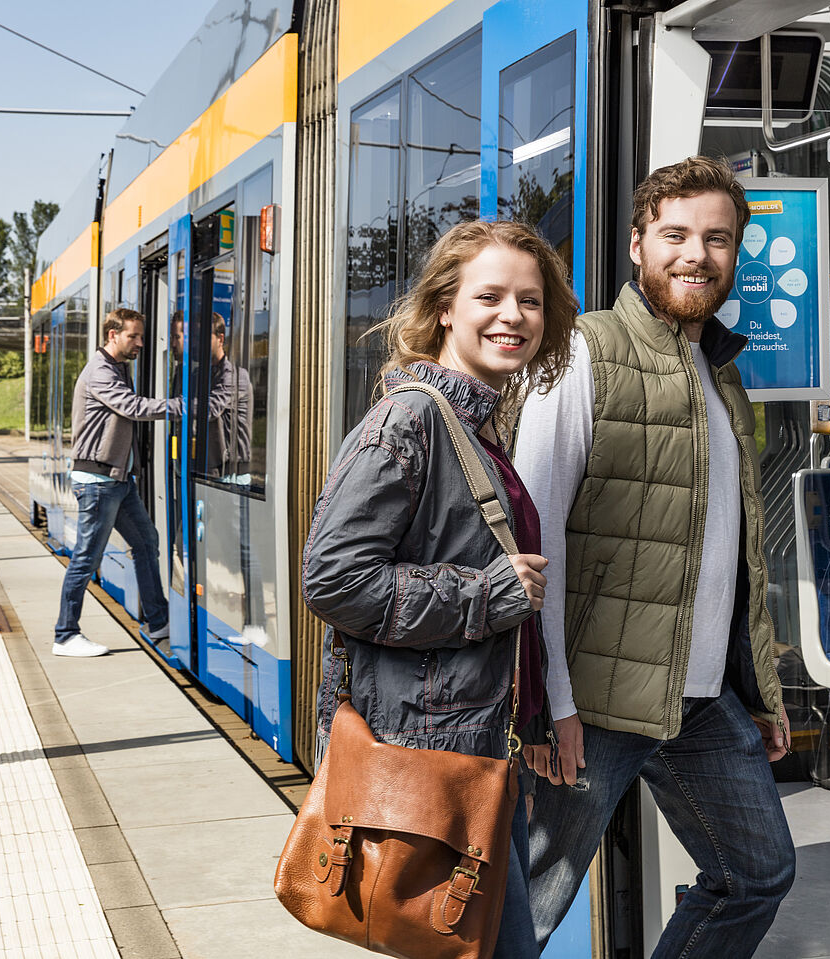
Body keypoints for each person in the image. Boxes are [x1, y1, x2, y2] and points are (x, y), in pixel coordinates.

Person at [515, 155, 794, 956]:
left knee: (757, 871)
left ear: (736, 253)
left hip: (699, 702)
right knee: (525, 911)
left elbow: (732, 556)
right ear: (638, 245)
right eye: (675, 234)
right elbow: (534, 541)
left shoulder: (720, 372)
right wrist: (546, 703)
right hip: (592, 704)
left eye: (716, 238)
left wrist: (760, 689)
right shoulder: (584, 353)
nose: (695, 254)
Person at [299, 219, 578, 958]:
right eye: (490, 296)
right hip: (434, 758)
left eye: (530, 300)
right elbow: (332, 576)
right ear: (446, 307)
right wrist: (483, 595)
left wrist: (540, 722)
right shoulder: (413, 417)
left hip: (482, 752)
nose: (512, 315)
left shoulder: (476, 422)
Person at [53, 308, 182, 657]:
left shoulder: (118, 368)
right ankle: (65, 634)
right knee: (86, 557)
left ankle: (158, 622)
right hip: (98, 481)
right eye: (133, 336)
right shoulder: (100, 372)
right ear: (113, 334)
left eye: (141, 336)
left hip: (117, 481)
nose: (140, 343)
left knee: (146, 542)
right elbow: (133, 408)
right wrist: (181, 406)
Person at [204, 313, 253, 483]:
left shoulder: (236, 376)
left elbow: (211, 409)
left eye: (204, 336)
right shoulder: (202, 375)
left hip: (233, 476)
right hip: (210, 471)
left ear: (220, 338)